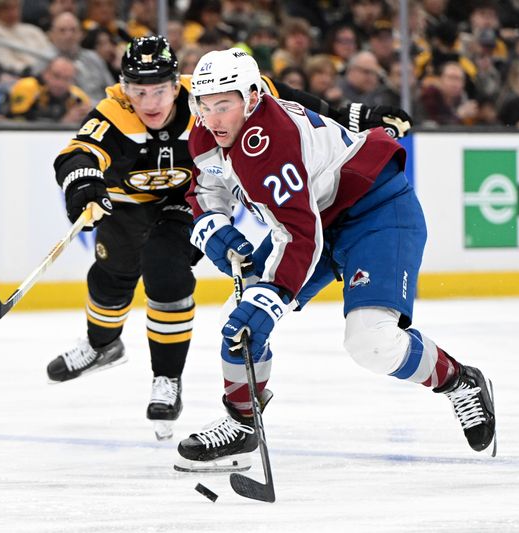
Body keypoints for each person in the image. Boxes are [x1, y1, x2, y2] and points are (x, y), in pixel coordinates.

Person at [46, 36, 414, 441]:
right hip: (132, 202)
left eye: (159, 90)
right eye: (138, 91)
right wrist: (83, 184)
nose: (150, 102)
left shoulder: (219, 96)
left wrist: (356, 115)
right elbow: (79, 151)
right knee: (111, 271)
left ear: (176, 83)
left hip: (185, 202)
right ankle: (103, 344)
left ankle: (168, 380)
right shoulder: (119, 113)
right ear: (123, 88)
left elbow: (288, 100)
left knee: (166, 268)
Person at [175, 48, 496, 472]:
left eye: (224, 105)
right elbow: (206, 187)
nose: (212, 118)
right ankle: (242, 425)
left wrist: (272, 297)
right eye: (205, 105)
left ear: (252, 97)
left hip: (376, 210)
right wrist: (212, 226)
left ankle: (459, 381)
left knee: (371, 342)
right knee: (238, 320)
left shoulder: (270, 142)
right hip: (315, 217)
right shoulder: (205, 132)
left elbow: (299, 235)